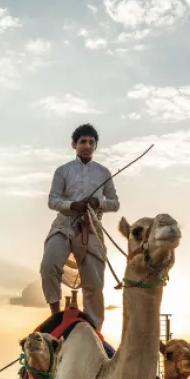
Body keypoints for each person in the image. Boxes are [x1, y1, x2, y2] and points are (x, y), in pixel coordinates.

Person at [40, 123, 119, 329]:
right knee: (49, 265)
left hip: (90, 228)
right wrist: (72, 205)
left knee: (94, 283)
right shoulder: (63, 171)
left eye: (91, 142)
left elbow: (114, 202)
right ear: (74, 144)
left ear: (95, 146)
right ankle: (55, 316)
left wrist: (97, 203)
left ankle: (94, 329)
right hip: (63, 226)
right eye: (83, 141)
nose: (87, 145)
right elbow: (52, 201)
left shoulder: (103, 172)